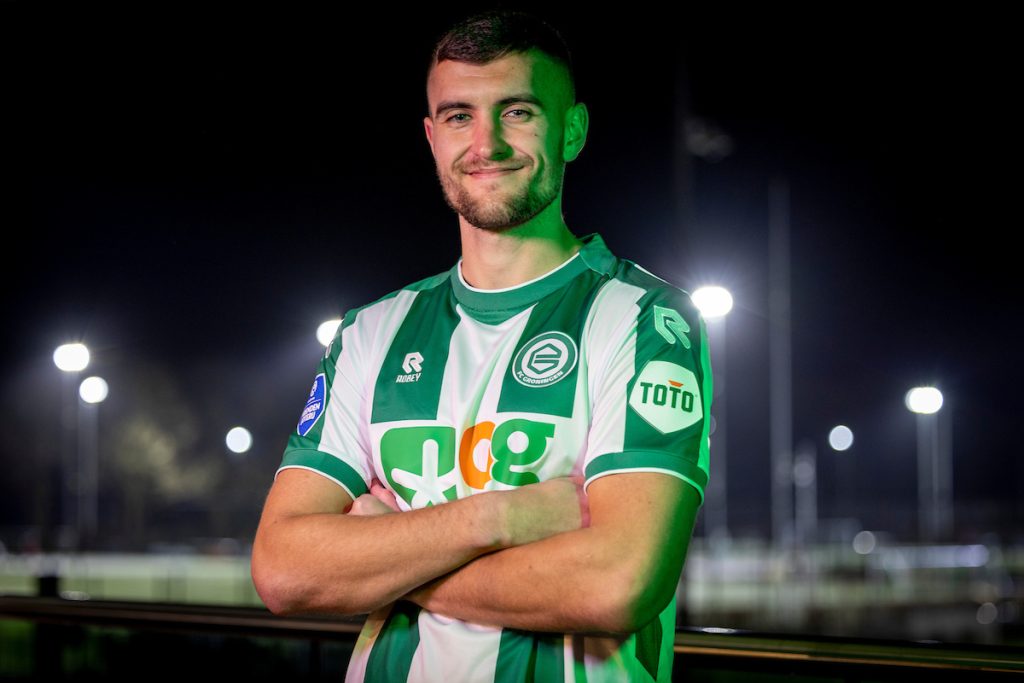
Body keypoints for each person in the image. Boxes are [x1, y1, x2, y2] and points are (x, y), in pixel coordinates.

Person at [251, 9, 712, 682]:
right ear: (432, 137)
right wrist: (499, 517)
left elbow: (618, 583)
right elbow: (283, 570)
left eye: (517, 112)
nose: (485, 143)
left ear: (572, 130)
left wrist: (384, 557)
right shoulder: (369, 332)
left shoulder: (646, 318)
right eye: (459, 116)